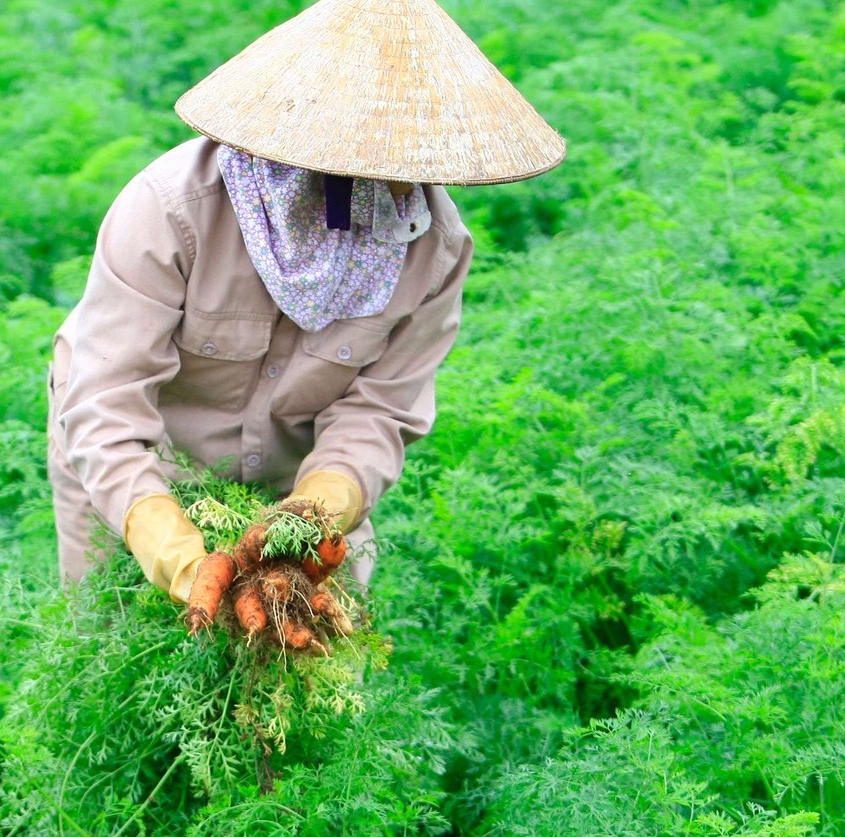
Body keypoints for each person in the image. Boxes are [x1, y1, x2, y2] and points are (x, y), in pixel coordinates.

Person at [47, 0, 564, 604]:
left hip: (296, 484)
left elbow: (377, 414)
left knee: (309, 666)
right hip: (143, 472)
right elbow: (107, 406)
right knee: (112, 646)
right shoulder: (174, 210)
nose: (405, 185)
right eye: (383, 163)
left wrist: (310, 517)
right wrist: (185, 562)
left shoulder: (432, 247)